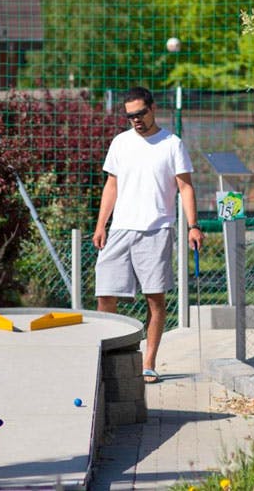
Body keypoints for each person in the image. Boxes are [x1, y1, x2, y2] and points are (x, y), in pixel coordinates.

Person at [92, 87, 203, 384]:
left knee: (154, 298)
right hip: (120, 230)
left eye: (140, 113)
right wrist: (101, 224)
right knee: (105, 294)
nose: (136, 120)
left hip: (157, 229)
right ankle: (107, 358)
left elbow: (185, 187)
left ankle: (149, 363)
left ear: (153, 109)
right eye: (130, 116)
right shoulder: (120, 142)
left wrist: (193, 225)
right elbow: (111, 185)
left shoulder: (172, 144)